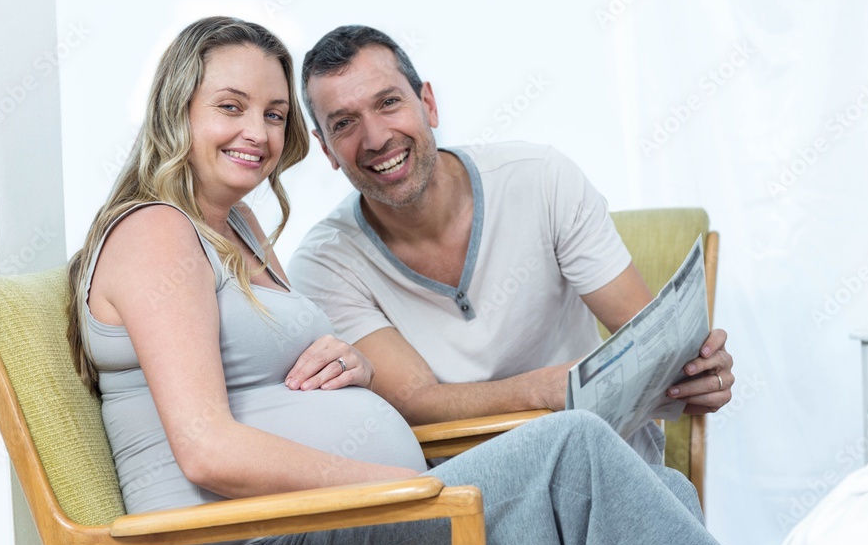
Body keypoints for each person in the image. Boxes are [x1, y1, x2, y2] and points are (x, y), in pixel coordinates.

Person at [67, 16, 767, 545]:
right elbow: (207, 450)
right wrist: (401, 487)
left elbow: (267, 382)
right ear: (177, 110)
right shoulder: (156, 232)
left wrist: (354, 366)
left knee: (661, 490)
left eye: (274, 114)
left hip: (315, 537)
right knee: (573, 451)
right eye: (231, 107)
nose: (257, 132)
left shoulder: (239, 226)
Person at [288, 26, 735, 464]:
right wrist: (546, 389)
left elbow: (653, 345)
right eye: (344, 124)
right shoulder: (324, 264)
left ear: (428, 104)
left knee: (657, 486)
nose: (376, 138)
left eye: (388, 103)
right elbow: (416, 399)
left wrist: (696, 372)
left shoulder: (541, 178)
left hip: (608, 456)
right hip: (474, 488)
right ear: (327, 150)